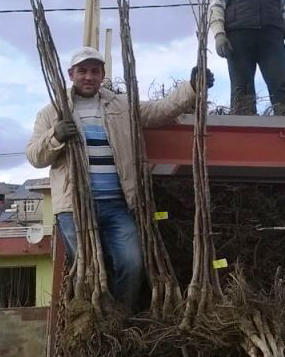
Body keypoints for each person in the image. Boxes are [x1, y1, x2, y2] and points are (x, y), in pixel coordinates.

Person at [26, 46, 213, 312]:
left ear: (102, 74)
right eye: (82, 71)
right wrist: (55, 136)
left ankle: (120, 318)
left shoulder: (121, 105)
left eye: (94, 71)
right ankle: (93, 317)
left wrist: (192, 87)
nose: (88, 77)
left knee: (132, 263)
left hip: (117, 204)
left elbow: (161, 110)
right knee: (87, 268)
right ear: (70, 74)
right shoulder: (52, 113)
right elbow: (34, 156)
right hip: (75, 207)